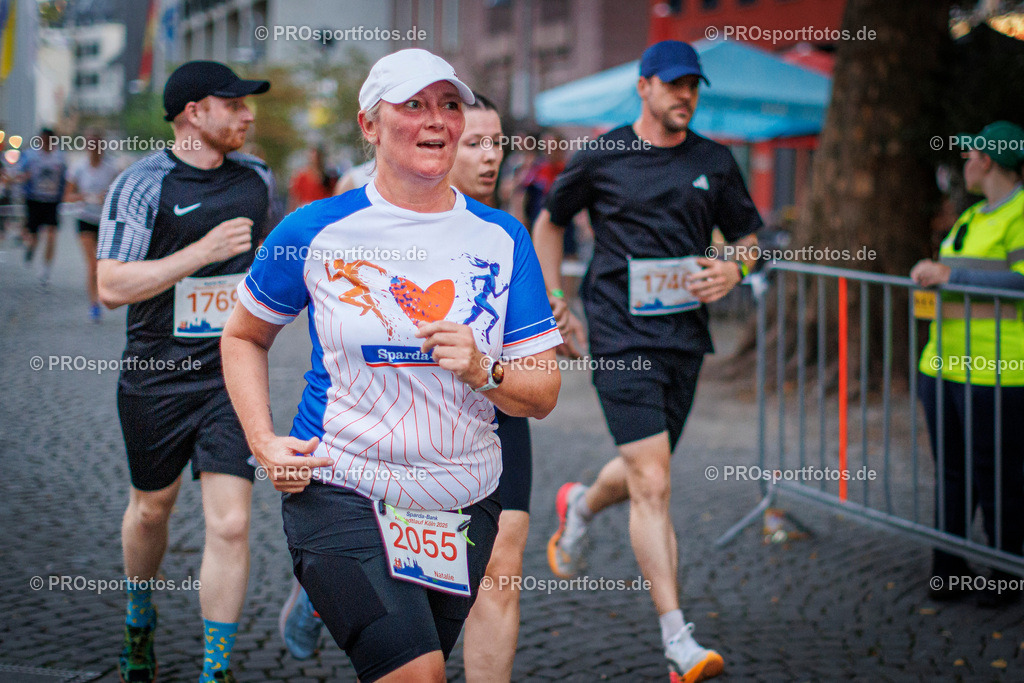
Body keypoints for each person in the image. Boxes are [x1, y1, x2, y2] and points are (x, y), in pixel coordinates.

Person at [221, 48, 562, 683]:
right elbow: (243, 335)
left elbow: (543, 392)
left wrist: (483, 368)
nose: (436, 119)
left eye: (449, 105)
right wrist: (262, 440)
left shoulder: (502, 238)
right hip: (341, 486)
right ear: (370, 125)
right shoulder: (313, 229)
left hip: (464, 506)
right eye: (413, 104)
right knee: (419, 675)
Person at [533, 40, 760, 682]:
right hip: (618, 336)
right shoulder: (601, 154)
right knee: (654, 481)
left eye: (693, 86)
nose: (685, 95)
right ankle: (678, 641)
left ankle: (581, 503)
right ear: (644, 86)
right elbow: (549, 222)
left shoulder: (714, 160)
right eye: (674, 84)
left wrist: (734, 269)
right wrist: (556, 301)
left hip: (684, 339)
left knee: (645, 470)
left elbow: (751, 238)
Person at [96, 60, 273, 683]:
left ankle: (214, 671)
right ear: (194, 113)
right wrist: (200, 252)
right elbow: (111, 285)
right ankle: (138, 617)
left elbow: (267, 267)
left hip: (229, 374)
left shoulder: (257, 178)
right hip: (156, 375)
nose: (247, 115)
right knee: (152, 509)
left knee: (231, 522)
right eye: (234, 104)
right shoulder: (141, 185)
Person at [911, 120, 1024, 608]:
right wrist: (928, 276)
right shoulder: (972, 216)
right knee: (953, 473)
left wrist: (948, 275)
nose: (965, 163)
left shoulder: (1020, 213)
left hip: (998, 369)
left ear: (989, 160)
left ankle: (1006, 574)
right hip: (944, 366)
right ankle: (949, 569)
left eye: (971, 155)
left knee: (997, 474)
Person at [65, 129, 119, 321]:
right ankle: (94, 303)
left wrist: (108, 196)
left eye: (96, 144)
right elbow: (67, 196)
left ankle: (106, 294)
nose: (93, 148)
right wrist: (83, 196)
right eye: (90, 144)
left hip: (105, 220)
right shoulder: (78, 168)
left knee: (104, 262)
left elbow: (120, 193)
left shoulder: (111, 168)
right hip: (85, 218)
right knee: (92, 263)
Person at [16, 128, 67, 286]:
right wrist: (24, 178)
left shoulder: (60, 157)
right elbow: (21, 172)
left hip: (52, 201)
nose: (44, 143)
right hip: (34, 199)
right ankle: (30, 249)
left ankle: (46, 269)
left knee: (52, 234)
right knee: (34, 235)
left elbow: (66, 178)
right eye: (42, 140)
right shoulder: (31, 155)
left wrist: (64, 197)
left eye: (47, 140)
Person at [288, 146, 335, 210]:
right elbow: (294, 201)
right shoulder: (301, 178)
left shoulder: (330, 178)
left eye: (319, 157)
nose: (316, 160)